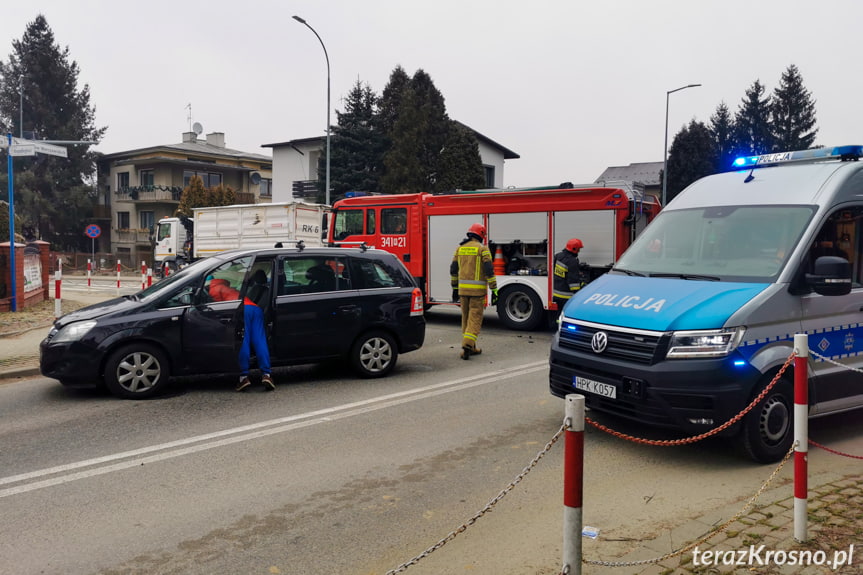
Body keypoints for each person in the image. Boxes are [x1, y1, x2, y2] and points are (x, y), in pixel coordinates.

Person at [450, 223, 498, 360]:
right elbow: (489, 271)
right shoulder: (483, 249)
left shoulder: (460, 249)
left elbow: (453, 270)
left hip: (463, 291)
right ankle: (467, 344)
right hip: (477, 293)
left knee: (466, 319)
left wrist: (454, 288)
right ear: (481, 235)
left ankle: (472, 348)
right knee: (475, 320)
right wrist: (494, 289)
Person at [237, 269, 274, 392]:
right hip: (257, 311)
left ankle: (244, 377)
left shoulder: (215, 288)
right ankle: (266, 375)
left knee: (244, 340)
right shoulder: (265, 290)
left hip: (243, 309)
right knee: (260, 341)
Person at [553, 238, 585, 311]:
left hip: (555, 292)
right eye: (578, 249)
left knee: (556, 315)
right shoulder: (572, 261)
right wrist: (578, 292)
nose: (579, 251)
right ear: (574, 249)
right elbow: (573, 281)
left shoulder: (558, 256)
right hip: (565, 295)